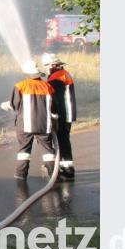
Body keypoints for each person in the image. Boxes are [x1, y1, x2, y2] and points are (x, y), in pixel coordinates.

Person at [0, 60, 58, 181]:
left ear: (26, 74)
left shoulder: (20, 86)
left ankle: (21, 175)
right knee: (47, 149)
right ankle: (53, 174)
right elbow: (53, 107)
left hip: (25, 125)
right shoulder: (48, 86)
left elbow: (14, 105)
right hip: (44, 124)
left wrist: (5, 105)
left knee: (24, 149)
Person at [42, 52, 77, 181]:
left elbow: (56, 99)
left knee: (62, 141)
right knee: (63, 140)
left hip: (63, 114)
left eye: (47, 66)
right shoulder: (62, 74)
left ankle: (68, 170)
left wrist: (53, 114)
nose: (46, 68)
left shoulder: (56, 78)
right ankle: (64, 167)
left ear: (53, 65)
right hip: (67, 113)